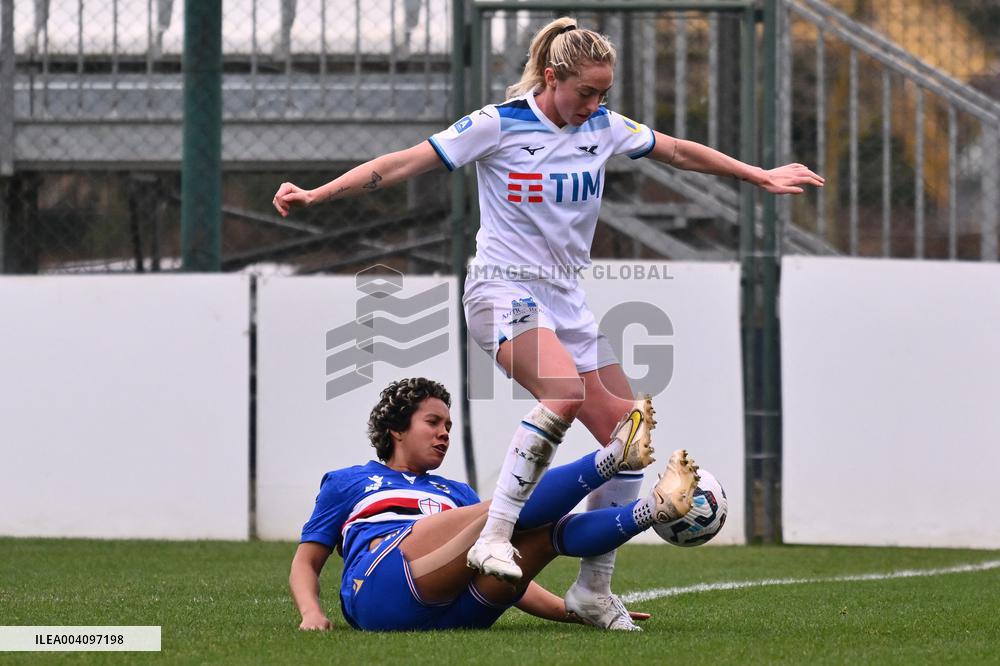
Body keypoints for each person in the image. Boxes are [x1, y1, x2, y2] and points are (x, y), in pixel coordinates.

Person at [275, 17, 823, 630]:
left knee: (628, 432)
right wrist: (318, 195)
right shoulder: (498, 124)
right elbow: (405, 163)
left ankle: (594, 589)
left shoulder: (603, 127)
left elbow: (676, 151)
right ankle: (496, 536)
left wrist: (758, 175)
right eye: (586, 92)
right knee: (561, 393)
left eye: (604, 94)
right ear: (554, 77)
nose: (596, 104)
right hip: (500, 289)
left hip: (566, 298)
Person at [289, 377, 700, 631]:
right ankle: (612, 458)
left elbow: (512, 576)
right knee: (502, 509)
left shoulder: (456, 493)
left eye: (449, 425)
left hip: (461, 612)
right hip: (381, 596)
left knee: (538, 536)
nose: (444, 433)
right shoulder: (348, 481)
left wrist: (571, 612)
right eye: (433, 422)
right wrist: (311, 612)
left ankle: (651, 509)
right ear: (396, 428)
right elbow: (306, 561)